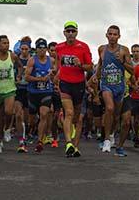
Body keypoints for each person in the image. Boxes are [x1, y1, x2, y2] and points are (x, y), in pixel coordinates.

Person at [54, 21, 93, 157]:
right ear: (64, 32)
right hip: (65, 84)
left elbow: (90, 67)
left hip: (79, 85)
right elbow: (58, 65)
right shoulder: (59, 47)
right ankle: (69, 143)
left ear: (77, 32)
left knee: (78, 119)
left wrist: (80, 65)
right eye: (68, 31)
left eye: (73, 31)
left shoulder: (83, 47)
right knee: (69, 113)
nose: (70, 33)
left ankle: (76, 147)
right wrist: (55, 76)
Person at [94, 25, 133, 154]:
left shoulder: (124, 50)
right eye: (110, 34)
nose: (112, 37)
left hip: (120, 87)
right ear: (106, 35)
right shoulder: (102, 49)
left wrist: (122, 62)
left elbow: (132, 70)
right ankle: (106, 140)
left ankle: (115, 142)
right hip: (106, 85)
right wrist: (95, 77)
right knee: (109, 108)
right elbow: (100, 64)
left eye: (115, 34)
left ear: (119, 36)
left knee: (118, 118)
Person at [25, 38, 54, 153]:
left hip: (46, 92)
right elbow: (26, 77)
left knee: (44, 114)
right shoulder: (32, 60)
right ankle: (31, 129)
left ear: (46, 49)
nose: (42, 50)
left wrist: (53, 75)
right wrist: (40, 79)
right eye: (39, 48)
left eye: (43, 48)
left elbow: (55, 72)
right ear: (36, 50)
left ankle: (40, 141)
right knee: (32, 119)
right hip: (33, 93)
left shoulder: (51, 60)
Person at [14, 36, 32, 152]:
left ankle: (27, 132)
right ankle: (21, 139)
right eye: (22, 49)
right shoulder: (15, 60)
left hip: (30, 90)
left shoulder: (33, 60)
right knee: (18, 114)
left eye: (26, 49)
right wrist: (16, 79)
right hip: (18, 89)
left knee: (27, 118)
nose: (24, 51)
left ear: (29, 49)